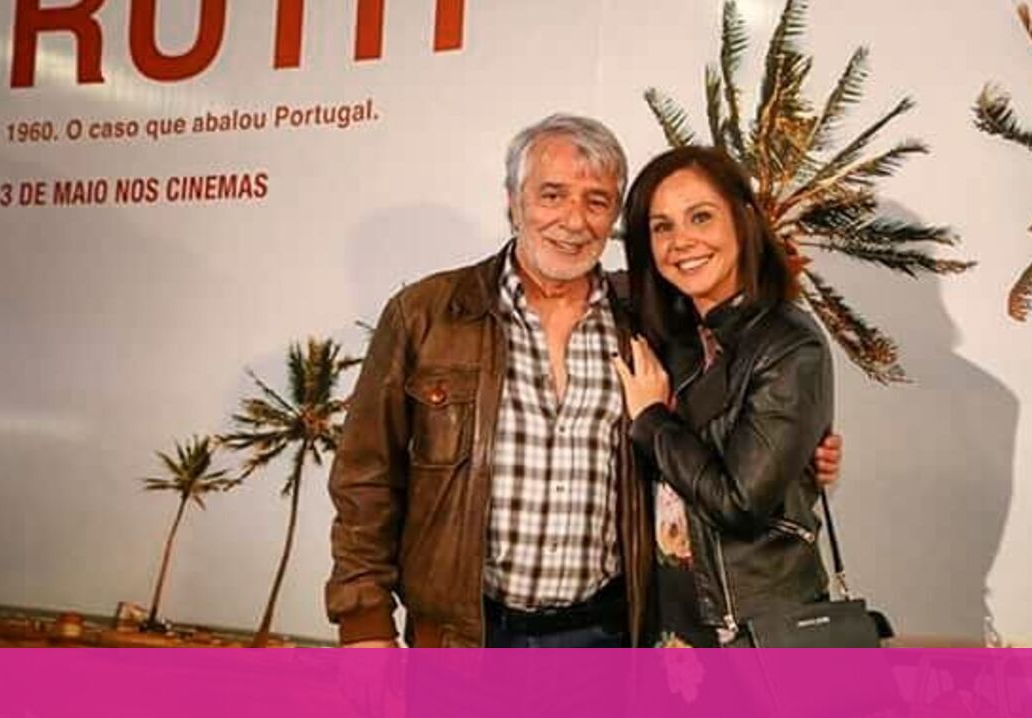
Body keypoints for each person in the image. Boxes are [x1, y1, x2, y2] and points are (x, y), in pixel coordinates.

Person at [326, 115, 842, 648]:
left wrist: (802, 457)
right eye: (552, 195)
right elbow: (366, 475)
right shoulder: (427, 315)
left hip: (605, 635)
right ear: (513, 200)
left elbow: (725, 424)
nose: (574, 221)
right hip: (462, 637)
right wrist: (364, 622)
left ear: (614, 216)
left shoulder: (646, 320)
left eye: (597, 201)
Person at [613, 146, 835, 647]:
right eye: (662, 227)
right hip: (672, 627)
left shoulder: (788, 343)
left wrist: (652, 418)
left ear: (744, 219)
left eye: (701, 217)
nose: (681, 241)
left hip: (754, 631)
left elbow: (739, 504)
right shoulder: (677, 337)